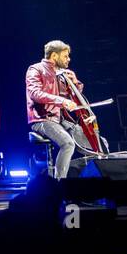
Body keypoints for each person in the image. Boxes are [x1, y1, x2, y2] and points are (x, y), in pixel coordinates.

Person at [25, 40, 84, 178]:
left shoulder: (63, 74)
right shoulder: (35, 69)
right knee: (68, 144)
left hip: (60, 119)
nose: (68, 59)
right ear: (54, 56)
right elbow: (35, 93)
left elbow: (75, 98)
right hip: (42, 119)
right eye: (65, 56)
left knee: (94, 142)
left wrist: (75, 83)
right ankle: (59, 184)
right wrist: (61, 100)